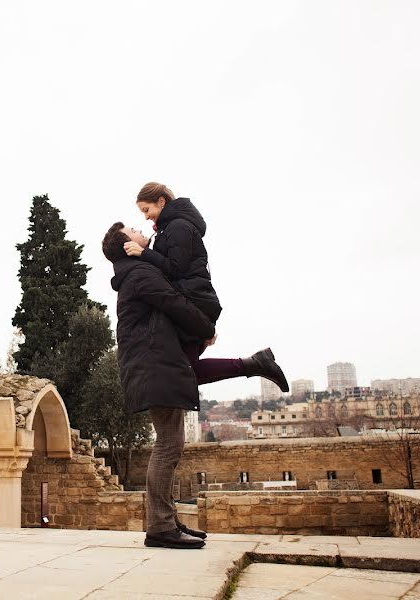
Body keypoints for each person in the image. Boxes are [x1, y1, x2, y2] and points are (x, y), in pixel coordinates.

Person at [102, 221, 211, 549]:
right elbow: (174, 303)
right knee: (167, 445)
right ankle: (161, 527)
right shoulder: (139, 274)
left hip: (154, 366)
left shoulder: (137, 272)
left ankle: (166, 519)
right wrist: (205, 327)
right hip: (155, 368)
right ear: (126, 245)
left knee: (171, 444)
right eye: (133, 228)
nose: (139, 228)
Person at [124, 182, 289, 391]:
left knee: (181, 373)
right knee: (180, 372)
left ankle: (256, 363)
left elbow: (176, 269)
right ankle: (255, 363)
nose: (146, 217)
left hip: (193, 302)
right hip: (192, 301)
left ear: (161, 202)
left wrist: (144, 253)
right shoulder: (170, 228)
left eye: (146, 210)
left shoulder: (178, 227)